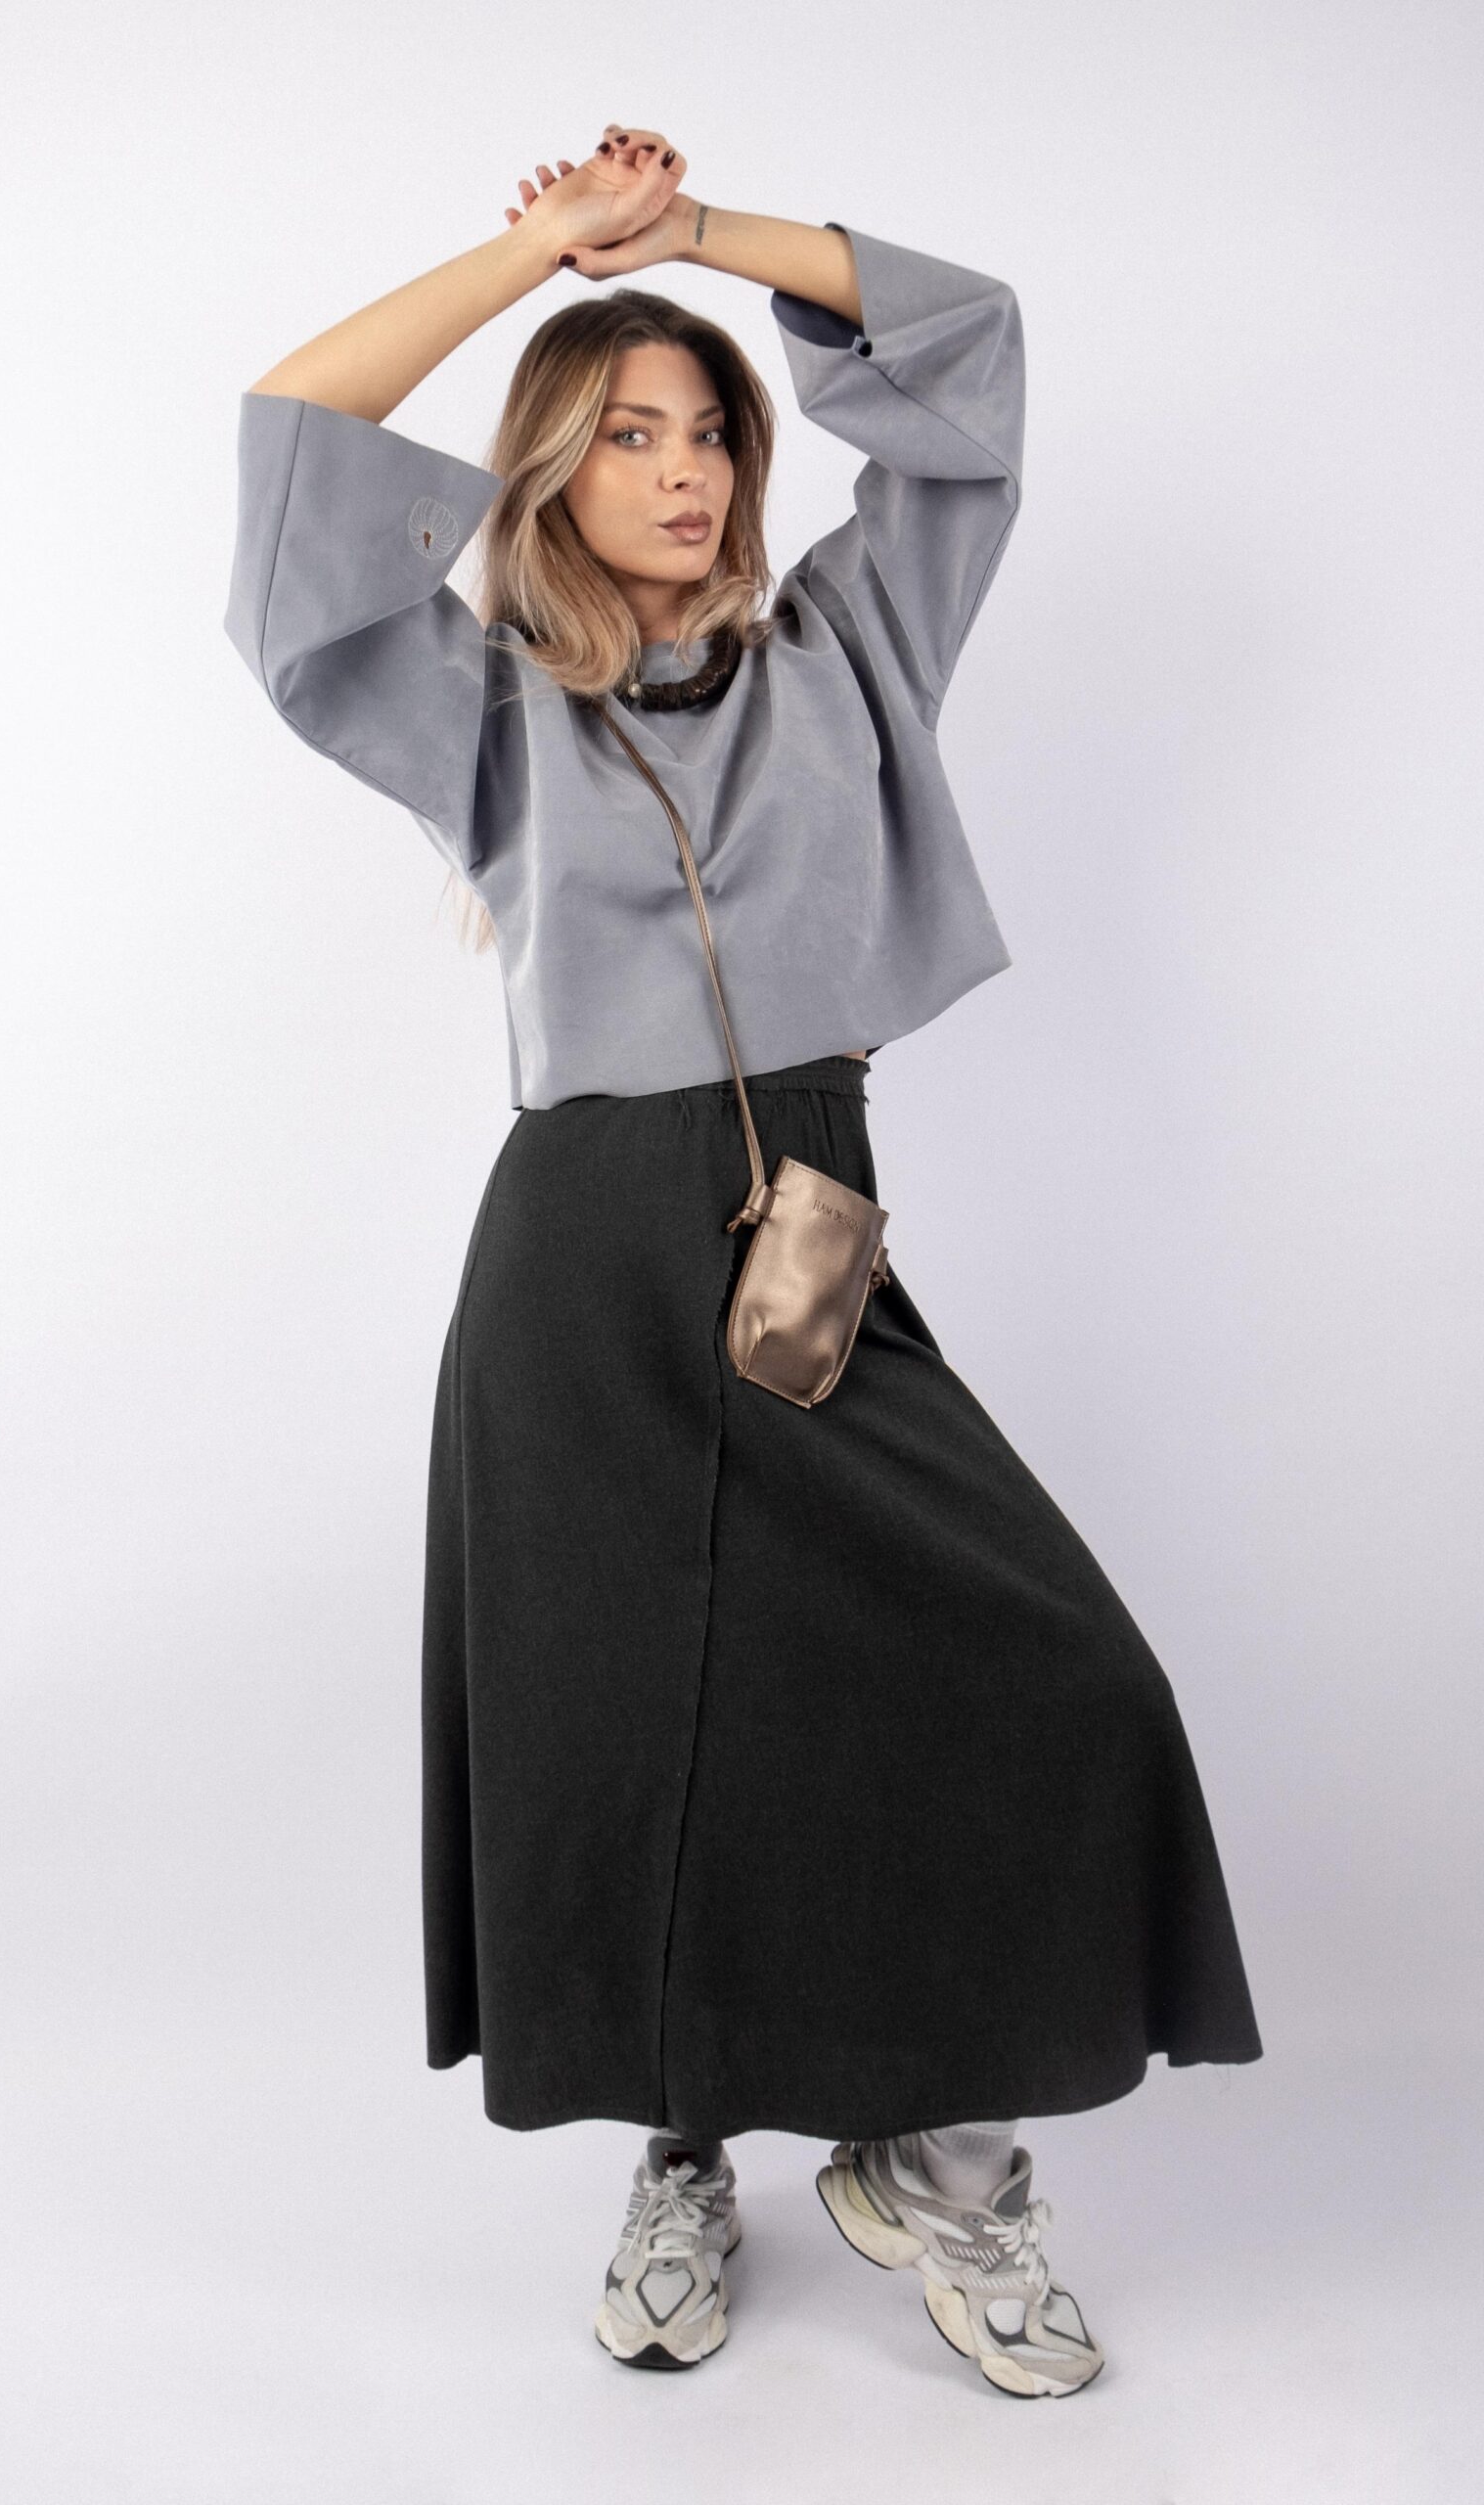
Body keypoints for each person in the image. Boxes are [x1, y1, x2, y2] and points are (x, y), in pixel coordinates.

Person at [223, 125, 1263, 2396]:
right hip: (584, 1270)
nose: (686, 469)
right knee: (641, 1737)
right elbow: (294, 452)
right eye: (629, 433)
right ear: (553, 467)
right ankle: (681, 2150)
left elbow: (967, 348)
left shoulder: (852, 651)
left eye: (709, 428)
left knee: (1053, 1671)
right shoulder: (486, 708)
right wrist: (531, 256)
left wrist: (692, 239)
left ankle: (934, 2157)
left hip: (803, 1230)